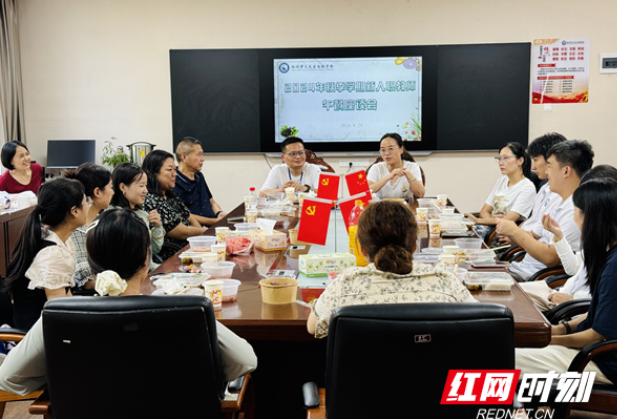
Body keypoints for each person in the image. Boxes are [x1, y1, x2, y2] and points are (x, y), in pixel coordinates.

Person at [0, 209, 257, 396]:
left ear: (91, 264)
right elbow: (246, 360)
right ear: (146, 260)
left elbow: (9, 377)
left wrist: (64, 378)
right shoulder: (185, 309)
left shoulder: (60, 316)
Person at [307, 200, 476, 338]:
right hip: (437, 379)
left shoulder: (345, 284)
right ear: (415, 246)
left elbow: (313, 327)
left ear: (361, 249)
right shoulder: (445, 281)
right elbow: (481, 321)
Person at [516, 178, 617, 385]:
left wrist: (550, 340)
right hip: (594, 348)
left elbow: (598, 336)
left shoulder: (613, 269)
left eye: (576, 211)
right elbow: (598, 314)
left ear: (589, 217)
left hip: (601, 360)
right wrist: (562, 328)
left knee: (506, 358)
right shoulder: (608, 254)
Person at [520, 165, 617, 311]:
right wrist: (559, 237)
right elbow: (573, 269)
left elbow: (606, 300)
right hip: (564, 297)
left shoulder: (611, 253)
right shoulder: (598, 240)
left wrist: (573, 299)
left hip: (572, 309)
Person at [497, 140, 594, 281]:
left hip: (536, 278)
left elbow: (550, 258)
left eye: (550, 166)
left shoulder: (576, 211)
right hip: (522, 268)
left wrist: (514, 231)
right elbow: (535, 233)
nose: (546, 172)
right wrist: (514, 235)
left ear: (566, 171)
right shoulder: (558, 200)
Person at [3, 178, 87, 331]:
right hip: (39, 337)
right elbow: (60, 315)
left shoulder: (55, 239)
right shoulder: (52, 253)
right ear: (74, 211)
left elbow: (66, 297)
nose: (88, 205)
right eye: (85, 201)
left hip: (47, 330)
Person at [498, 133, 566, 246]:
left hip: (524, 245)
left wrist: (515, 236)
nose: (533, 167)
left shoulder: (529, 187)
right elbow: (532, 219)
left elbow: (537, 234)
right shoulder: (545, 187)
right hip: (517, 239)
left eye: (536, 160)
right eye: (499, 159)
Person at [142, 150, 207, 261]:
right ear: (153, 173)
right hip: (173, 256)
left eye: (175, 169)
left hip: (189, 249)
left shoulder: (169, 194)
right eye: (169, 170)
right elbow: (181, 232)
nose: (175, 174)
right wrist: (205, 232)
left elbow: (188, 216)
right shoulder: (151, 200)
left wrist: (201, 236)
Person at [63, 163, 114, 290]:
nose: (114, 193)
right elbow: (88, 281)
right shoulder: (78, 229)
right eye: (111, 188)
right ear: (97, 192)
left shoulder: (100, 220)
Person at [109, 162, 165, 271]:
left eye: (146, 185)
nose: (146, 190)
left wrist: (157, 226)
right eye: (141, 186)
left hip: (149, 270)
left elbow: (155, 250)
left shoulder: (142, 214)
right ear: (123, 187)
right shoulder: (114, 217)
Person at [465, 142, 536, 227]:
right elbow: (484, 211)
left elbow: (509, 220)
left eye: (505, 158)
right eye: (499, 158)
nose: (500, 163)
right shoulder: (502, 181)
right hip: (489, 229)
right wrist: (491, 220)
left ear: (520, 161)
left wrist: (478, 220)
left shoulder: (527, 188)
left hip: (504, 235)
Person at [173, 137, 226, 226]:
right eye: (199, 154)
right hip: (198, 229)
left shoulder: (199, 176)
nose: (203, 159)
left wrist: (219, 213)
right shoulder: (174, 181)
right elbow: (184, 214)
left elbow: (211, 201)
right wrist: (213, 222)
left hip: (213, 224)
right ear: (184, 157)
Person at [367, 133, 425, 200]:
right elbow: (367, 192)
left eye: (391, 148)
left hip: (405, 208)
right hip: (381, 208)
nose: (387, 153)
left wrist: (408, 174)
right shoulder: (376, 168)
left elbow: (420, 194)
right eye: (383, 150)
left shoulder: (413, 167)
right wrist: (389, 177)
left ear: (401, 150)